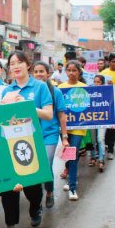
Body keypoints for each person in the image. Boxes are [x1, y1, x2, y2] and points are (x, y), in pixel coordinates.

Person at [0, 51, 53, 228]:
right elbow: (2, 116)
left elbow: (48, 114)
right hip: (9, 142)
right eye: (11, 63)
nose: (15, 66)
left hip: (32, 143)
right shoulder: (7, 91)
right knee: (9, 187)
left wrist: (26, 105)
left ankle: (35, 207)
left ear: (28, 64)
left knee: (32, 188)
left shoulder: (40, 87)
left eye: (19, 62)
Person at [32, 62, 69, 208]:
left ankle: (49, 192)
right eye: (36, 71)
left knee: (46, 165)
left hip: (50, 134)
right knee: (34, 167)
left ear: (48, 73)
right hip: (32, 134)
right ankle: (36, 198)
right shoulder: (31, 91)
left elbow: (61, 116)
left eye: (42, 71)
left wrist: (64, 137)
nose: (39, 74)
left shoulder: (56, 92)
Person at [59, 60, 88, 201]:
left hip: (78, 128)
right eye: (69, 70)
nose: (71, 73)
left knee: (73, 154)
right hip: (64, 129)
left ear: (79, 72)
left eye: (74, 70)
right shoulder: (60, 88)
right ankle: (70, 179)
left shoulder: (85, 88)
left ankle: (72, 187)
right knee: (68, 154)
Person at [89, 74, 107, 172]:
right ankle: (93, 157)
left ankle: (101, 159)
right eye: (95, 82)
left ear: (102, 83)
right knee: (92, 140)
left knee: (100, 139)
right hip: (91, 119)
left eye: (98, 82)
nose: (96, 84)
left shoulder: (105, 93)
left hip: (102, 119)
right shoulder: (89, 92)